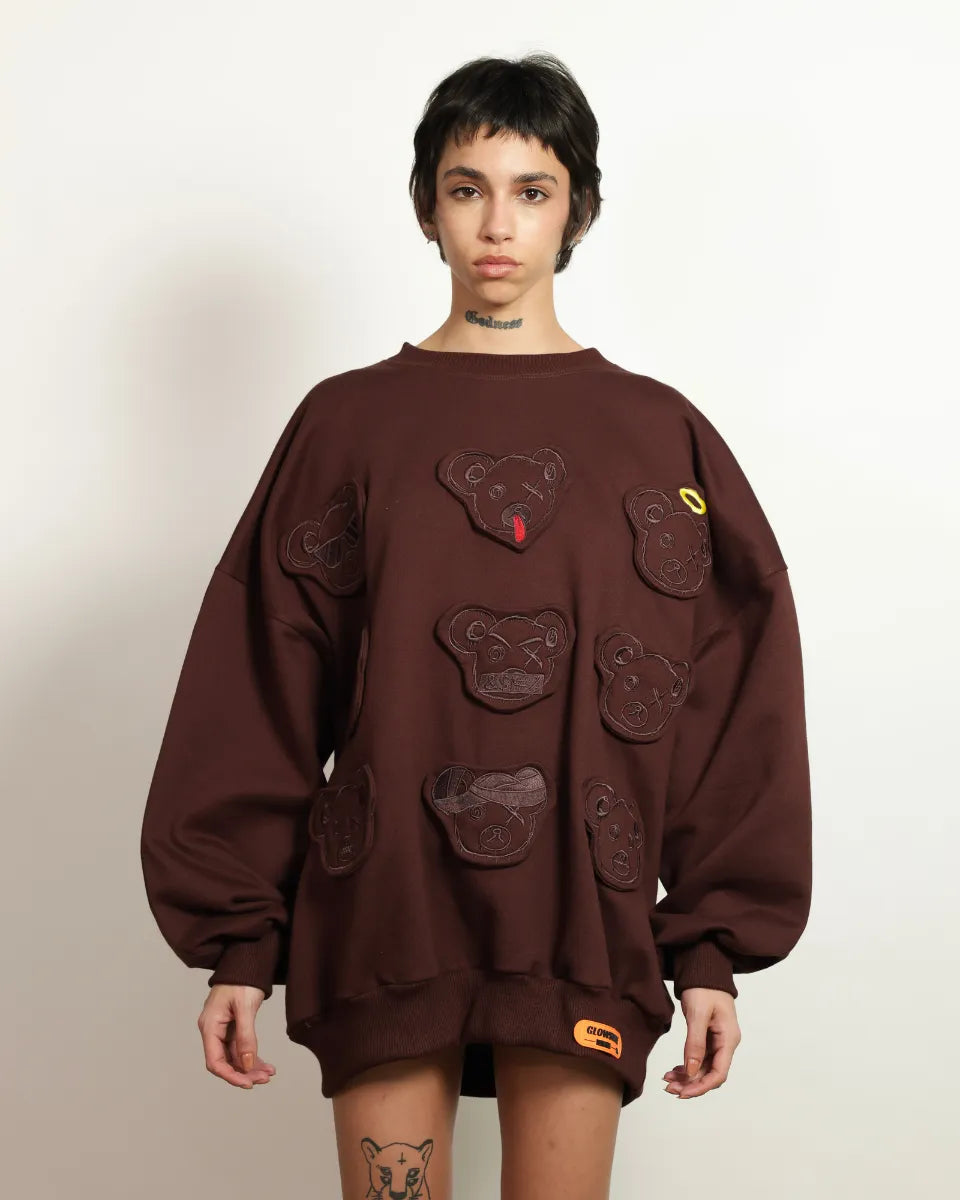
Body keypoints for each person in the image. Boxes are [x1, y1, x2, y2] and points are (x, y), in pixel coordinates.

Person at [140, 52, 812, 1200]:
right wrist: (239, 942)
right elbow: (259, 676)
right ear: (426, 207)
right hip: (384, 916)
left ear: (577, 211)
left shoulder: (660, 436)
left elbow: (729, 694)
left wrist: (712, 946)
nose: (498, 224)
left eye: (531, 190)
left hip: (581, 927)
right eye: (467, 188)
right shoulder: (345, 425)